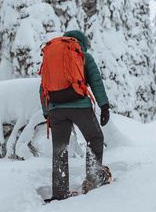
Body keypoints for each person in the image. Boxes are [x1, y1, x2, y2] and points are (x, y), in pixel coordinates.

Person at [40, 30, 111, 202]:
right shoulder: (84, 56)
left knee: (60, 150)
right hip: (80, 107)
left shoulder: (52, 58)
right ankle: (93, 180)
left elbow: (43, 87)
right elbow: (96, 82)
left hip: (56, 109)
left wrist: (46, 112)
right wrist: (104, 106)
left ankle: (60, 192)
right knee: (95, 138)